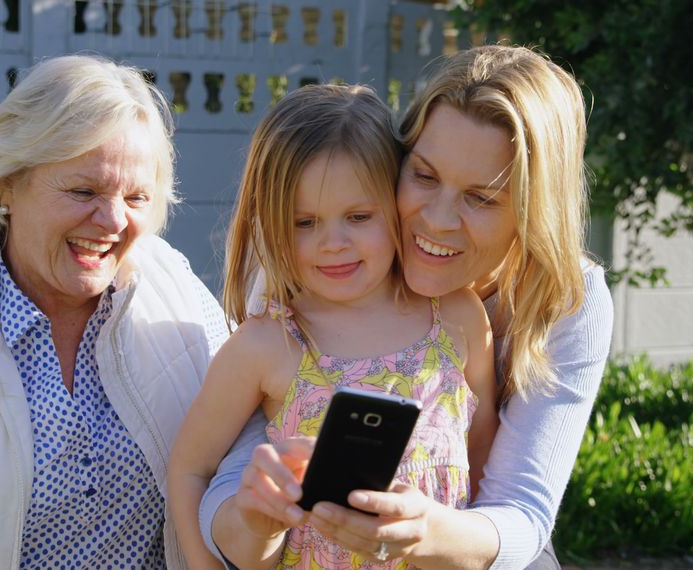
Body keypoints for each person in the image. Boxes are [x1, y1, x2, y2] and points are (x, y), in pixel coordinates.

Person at [0, 54, 258, 568]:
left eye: (137, 197)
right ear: (7, 183)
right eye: (84, 190)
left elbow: (235, 473)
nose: (113, 220)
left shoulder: (181, 297)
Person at [208, 45, 614, 569]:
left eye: (481, 198)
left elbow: (522, 512)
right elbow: (237, 461)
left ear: (534, 209)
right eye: (423, 175)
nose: (438, 220)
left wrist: (428, 531)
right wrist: (245, 523)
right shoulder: (326, 264)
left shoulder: (569, 298)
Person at [169, 83, 499, 569]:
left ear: (394, 202)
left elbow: (485, 449)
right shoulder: (268, 343)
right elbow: (189, 468)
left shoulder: (456, 315)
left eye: (359, 216)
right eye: (305, 223)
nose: (333, 243)